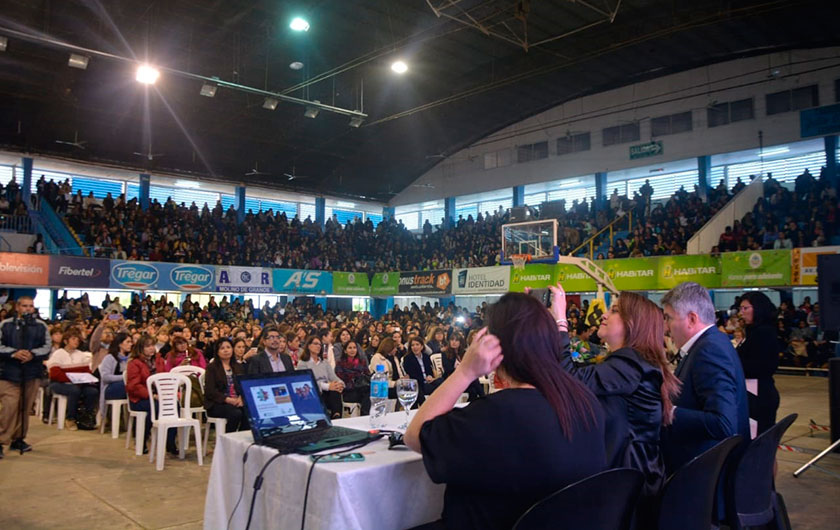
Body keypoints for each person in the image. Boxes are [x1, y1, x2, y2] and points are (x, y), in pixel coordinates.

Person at [405, 293, 606, 530]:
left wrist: (466, 372)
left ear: (495, 346)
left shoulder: (496, 413)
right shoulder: (586, 402)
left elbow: (415, 435)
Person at [551, 285, 680, 521]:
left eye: (615, 310)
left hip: (626, 488)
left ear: (633, 324)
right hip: (633, 479)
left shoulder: (630, 364)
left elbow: (568, 377)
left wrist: (561, 321)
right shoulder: (634, 363)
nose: (604, 315)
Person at [661, 282, 749, 521]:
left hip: (704, 476)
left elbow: (723, 423)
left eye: (669, 318)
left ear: (691, 319)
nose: (666, 328)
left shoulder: (709, 350)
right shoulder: (710, 343)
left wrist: (670, 412)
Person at [0, 296, 51, 456]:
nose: (28, 309)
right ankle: (1, 440)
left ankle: (18, 439)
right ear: (17, 307)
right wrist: (14, 353)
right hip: (9, 373)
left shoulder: (41, 326)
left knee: (25, 408)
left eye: (31, 306)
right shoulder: (6, 325)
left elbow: (47, 347)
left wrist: (32, 354)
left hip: (32, 373)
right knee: (9, 408)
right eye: (24, 306)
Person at [737, 292, 781, 434]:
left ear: (758, 308)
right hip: (751, 392)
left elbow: (761, 366)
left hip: (760, 394)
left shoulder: (764, 332)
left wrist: (733, 364)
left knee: (758, 437)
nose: (741, 313)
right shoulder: (752, 331)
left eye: (745, 308)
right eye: (740, 309)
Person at [126, 334, 177, 455]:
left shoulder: (159, 360)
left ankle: (170, 441)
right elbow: (134, 386)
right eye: (147, 346)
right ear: (141, 348)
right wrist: (151, 395)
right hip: (140, 398)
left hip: (158, 396)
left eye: (152, 345)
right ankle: (142, 439)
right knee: (156, 407)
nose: (151, 348)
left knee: (175, 406)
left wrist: (166, 394)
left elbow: (165, 378)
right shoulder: (134, 363)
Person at [46, 327, 97, 431]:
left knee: (92, 391)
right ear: (66, 341)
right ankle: (70, 418)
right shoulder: (58, 354)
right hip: (59, 383)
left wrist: (83, 379)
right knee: (74, 390)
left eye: (77, 339)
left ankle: (87, 418)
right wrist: (73, 379)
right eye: (73, 339)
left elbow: (87, 371)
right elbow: (55, 374)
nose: (76, 341)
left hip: (79, 383)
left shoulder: (81, 355)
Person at [204, 338, 248, 432]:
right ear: (217, 352)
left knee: (250, 412)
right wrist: (228, 399)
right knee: (236, 413)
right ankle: (228, 437)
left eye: (228, 347)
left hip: (236, 401)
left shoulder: (238, 366)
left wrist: (241, 398)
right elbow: (210, 391)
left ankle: (240, 436)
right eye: (222, 348)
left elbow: (243, 386)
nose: (226, 350)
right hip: (218, 403)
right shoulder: (212, 367)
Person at [297, 336, 345, 418]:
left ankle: (336, 416)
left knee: (335, 390)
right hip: (313, 392)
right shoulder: (303, 363)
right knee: (332, 390)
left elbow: (333, 377)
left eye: (320, 344)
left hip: (327, 391)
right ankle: (335, 415)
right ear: (309, 346)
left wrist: (340, 384)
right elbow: (306, 383)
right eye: (315, 344)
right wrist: (327, 386)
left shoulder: (324, 362)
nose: (318, 346)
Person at [97, 332, 132, 425]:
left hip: (126, 385)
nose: (130, 344)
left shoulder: (130, 358)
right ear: (120, 344)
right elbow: (105, 377)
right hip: (110, 388)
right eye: (128, 342)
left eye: (131, 342)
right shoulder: (110, 358)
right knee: (130, 386)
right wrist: (124, 377)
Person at [441, 332, 484, 401]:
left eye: (456, 340)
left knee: (473, 390)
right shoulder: (445, 353)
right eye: (452, 340)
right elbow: (448, 369)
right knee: (474, 383)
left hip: (464, 379)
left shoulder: (464, 353)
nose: (454, 342)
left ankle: (480, 400)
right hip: (451, 379)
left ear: (460, 342)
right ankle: (484, 398)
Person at [334, 340, 371, 415]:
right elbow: (340, 379)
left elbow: (367, 375)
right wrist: (354, 380)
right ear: (345, 351)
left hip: (362, 388)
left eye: (354, 348)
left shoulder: (362, 362)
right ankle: (364, 415)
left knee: (369, 391)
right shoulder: (340, 363)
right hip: (348, 391)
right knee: (366, 394)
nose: (352, 350)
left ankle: (365, 414)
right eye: (350, 348)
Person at [403, 337, 437, 403]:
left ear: (422, 346)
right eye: (412, 345)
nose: (415, 347)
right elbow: (411, 374)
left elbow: (429, 370)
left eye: (417, 344)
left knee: (441, 381)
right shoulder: (407, 359)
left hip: (428, 381)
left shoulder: (426, 357)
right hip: (418, 383)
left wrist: (430, 376)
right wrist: (424, 379)